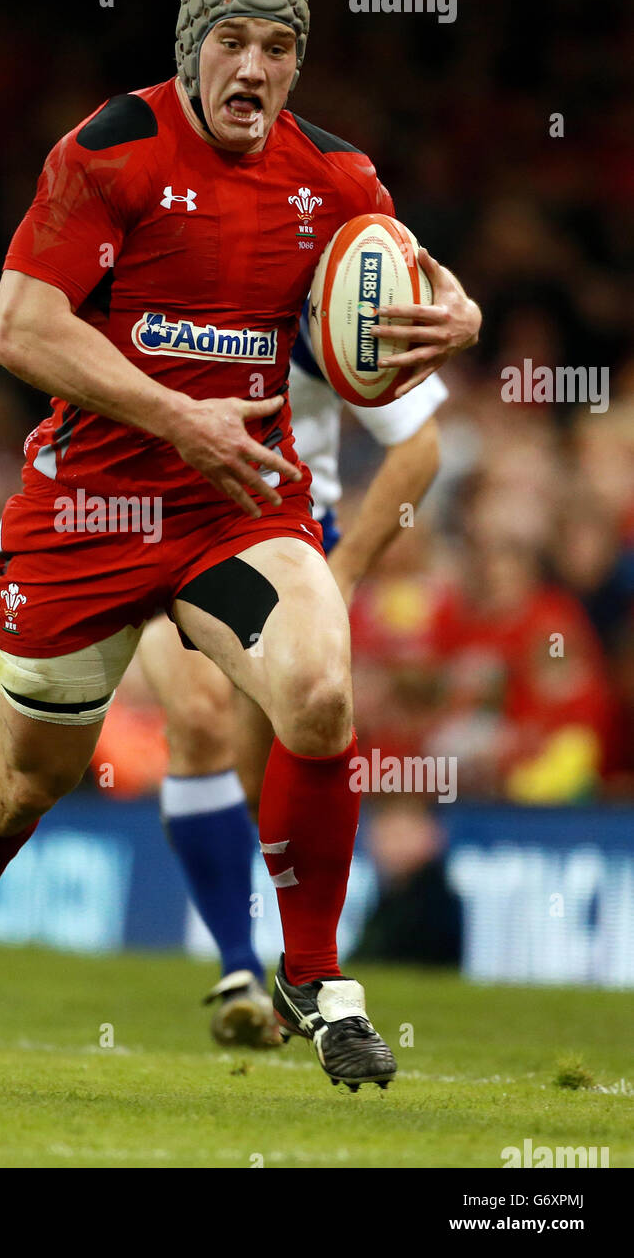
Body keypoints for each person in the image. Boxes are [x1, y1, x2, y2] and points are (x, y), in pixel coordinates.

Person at [0, 0, 481, 1090]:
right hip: (89, 511)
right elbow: (19, 328)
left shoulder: (342, 182)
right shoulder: (110, 150)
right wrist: (174, 415)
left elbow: (410, 288)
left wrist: (451, 316)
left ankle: (310, 973)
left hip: (235, 507)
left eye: (277, 46)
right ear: (190, 49)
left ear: (298, 66)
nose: (252, 67)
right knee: (27, 779)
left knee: (318, 685)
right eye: (231, 41)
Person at [136, 306, 447, 1047]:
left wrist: (341, 573)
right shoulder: (140, 277)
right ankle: (239, 971)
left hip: (285, 536)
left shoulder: (320, 294)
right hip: (157, 525)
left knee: (269, 762)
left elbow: (418, 448)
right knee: (200, 713)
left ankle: (296, 973)